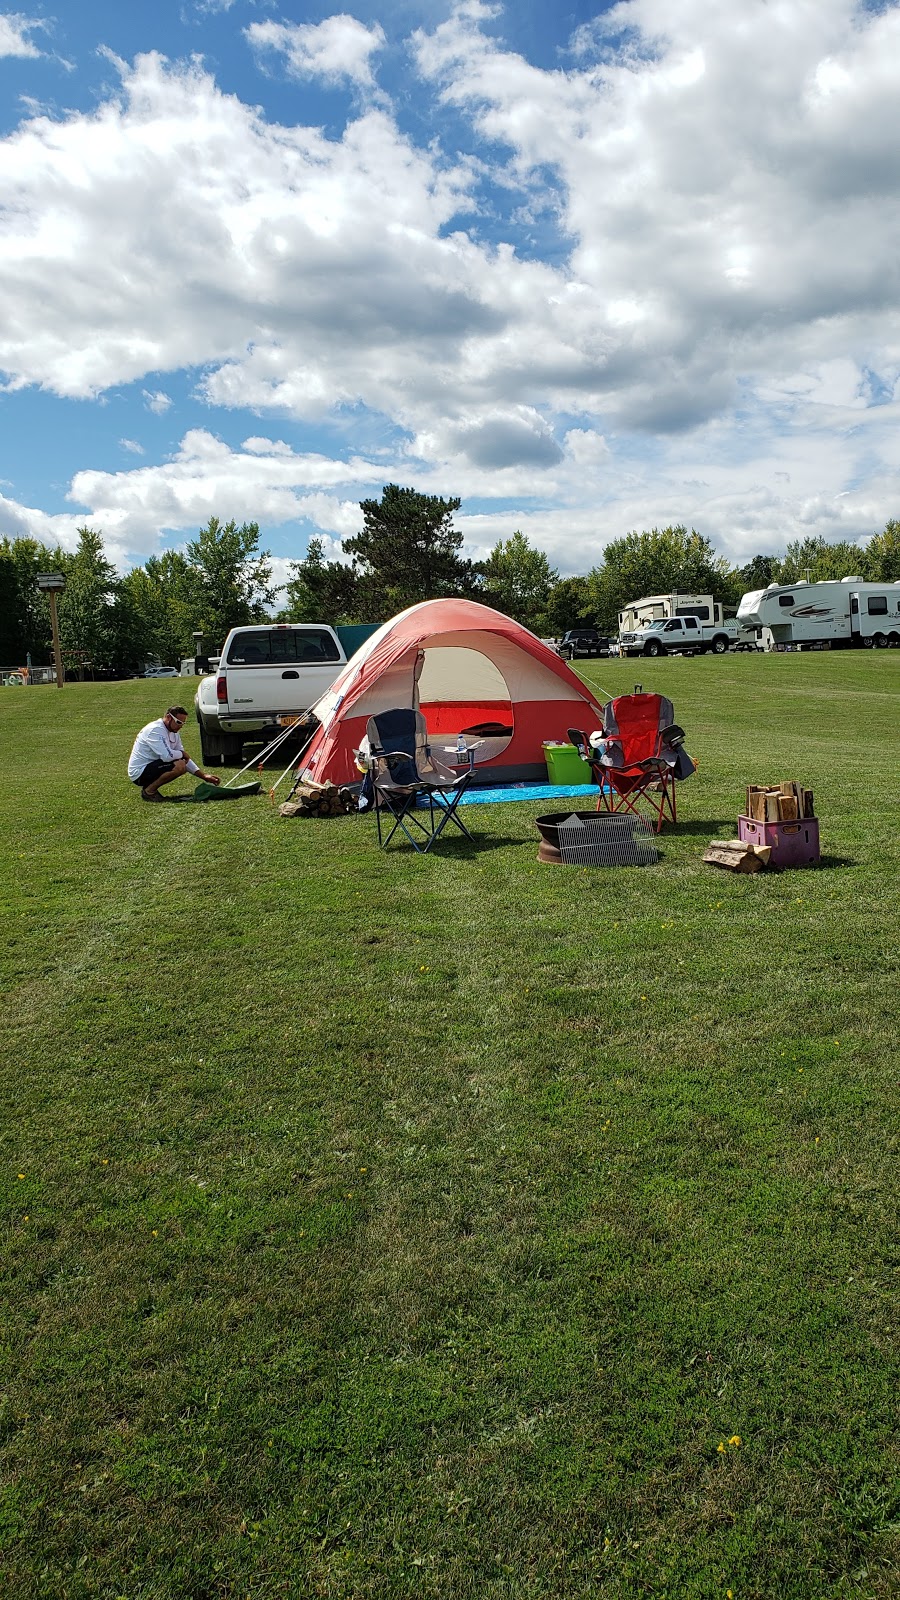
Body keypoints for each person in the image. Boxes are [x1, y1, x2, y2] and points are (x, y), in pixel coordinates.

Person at [127, 706, 221, 801]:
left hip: (152, 767)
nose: (181, 726)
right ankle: (149, 792)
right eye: (179, 722)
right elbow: (167, 757)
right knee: (179, 765)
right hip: (139, 772)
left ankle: (150, 789)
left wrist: (204, 776)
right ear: (168, 717)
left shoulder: (174, 731)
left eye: (183, 723)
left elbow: (183, 759)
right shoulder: (155, 730)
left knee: (181, 763)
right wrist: (182, 753)